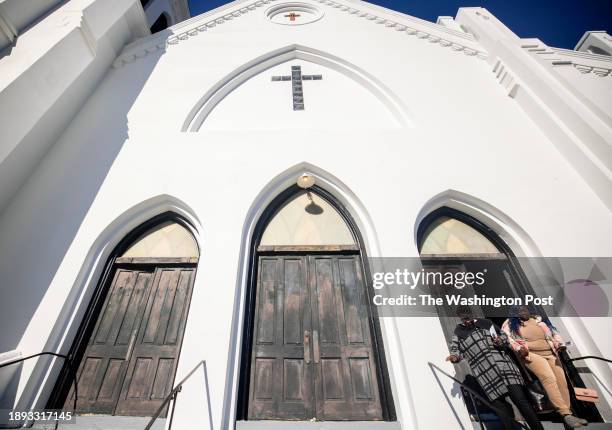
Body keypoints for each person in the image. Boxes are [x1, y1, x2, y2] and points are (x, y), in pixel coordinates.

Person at [446, 306, 544, 430]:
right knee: (501, 409)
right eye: (463, 318)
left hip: (505, 367)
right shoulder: (458, 333)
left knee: (521, 401)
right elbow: (456, 351)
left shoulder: (486, 323)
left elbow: (504, 337)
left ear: (471, 314)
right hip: (485, 374)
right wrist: (454, 357)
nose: (467, 320)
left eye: (468, 316)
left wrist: (500, 340)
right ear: (460, 318)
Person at [502, 306, 587, 428]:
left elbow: (554, 333)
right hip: (531, 354)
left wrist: (560, 344)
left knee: (562, 382)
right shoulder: (509, 324)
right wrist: (519, 348)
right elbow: (509, 339)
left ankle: (569, 416)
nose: (523, 312)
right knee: (549, 378)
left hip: (551, 353)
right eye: (520, 311)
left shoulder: (538, 319)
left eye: (525, 310)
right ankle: (565, 414)